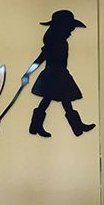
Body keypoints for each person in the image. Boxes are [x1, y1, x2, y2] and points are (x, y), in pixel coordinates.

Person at [29, 10, 95, 138]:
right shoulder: (54, 43)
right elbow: (41, 58)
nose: (71, 32)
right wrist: (28, 73)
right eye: (70, 28)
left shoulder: (61, 42)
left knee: (60, 100)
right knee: (60, 100)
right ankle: (76, 127)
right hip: (53, 75)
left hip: (59, 74)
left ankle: (36, 126)